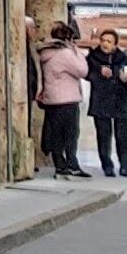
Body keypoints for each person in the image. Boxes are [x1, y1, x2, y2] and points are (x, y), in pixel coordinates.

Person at [37, 18, 87, 178]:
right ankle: (72, 163)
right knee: (71, 134)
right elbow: (82, 70)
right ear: (68, 38)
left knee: (56, 134)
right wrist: (77, 51)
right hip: (67, 99)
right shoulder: (65, 53)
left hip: (52, 99)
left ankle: (60, 164)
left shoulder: (46, 52)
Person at [87, 35, 127, 180]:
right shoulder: (93, 57)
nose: (105, 44)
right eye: (103, 40)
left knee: (124, 136)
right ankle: (107, 165)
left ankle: (125, 165)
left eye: (109, 41)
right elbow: (85, 73)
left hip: (121, 101)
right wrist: (98, 72)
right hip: (101, 101)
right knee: (104, 135)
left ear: (115, 45)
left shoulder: (123, 58)